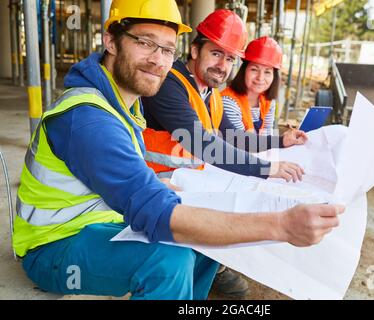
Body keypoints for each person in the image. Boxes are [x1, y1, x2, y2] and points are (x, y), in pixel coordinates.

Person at [13, 0, 344, 300]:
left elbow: (229, 140)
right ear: (111, 41)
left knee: (205, 243)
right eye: (145, 42)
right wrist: (281, 225)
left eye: (167, 49)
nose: (157, 59)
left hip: (104, 217)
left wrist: (277, 142)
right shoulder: (91, 118)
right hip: (53, 244)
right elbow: (200, 150)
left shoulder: (127, 104)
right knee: (168, 261)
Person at [142, 9, 307, 184]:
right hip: (153, 186)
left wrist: (281, 140)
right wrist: (268, 168)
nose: (222, 66)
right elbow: (201, 142)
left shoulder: (211, 94)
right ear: (195, 51)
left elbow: (235, 137)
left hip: (186, 183)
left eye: (230, 59)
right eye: (216, 54)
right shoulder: (167, 84)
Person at [222, 36, 302, 137]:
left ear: (274, 76)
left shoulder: (268, 101)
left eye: (267, 72)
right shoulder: (229, 102)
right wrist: (282, 141)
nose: (260, 77)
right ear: (244, 70)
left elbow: (267, 136)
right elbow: (243, 143)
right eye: (254, 69)